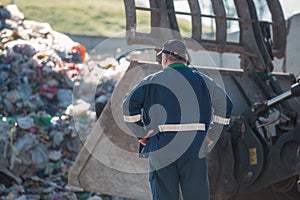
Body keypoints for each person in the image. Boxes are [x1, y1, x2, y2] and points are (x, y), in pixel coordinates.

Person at [122, 39, 233, 200]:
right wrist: (212, 134)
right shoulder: (202, 80)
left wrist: (142, 133)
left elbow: (128, 106)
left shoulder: (152, 81)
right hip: (194, 148)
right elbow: (225, 104)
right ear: (184, 59)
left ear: (165, 58)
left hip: (161, 149)